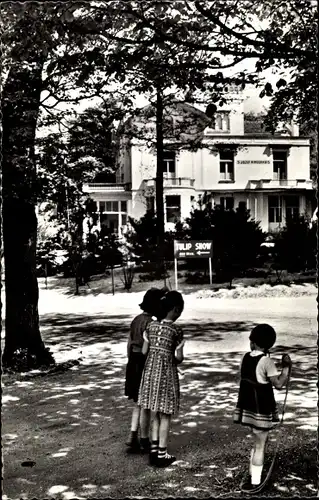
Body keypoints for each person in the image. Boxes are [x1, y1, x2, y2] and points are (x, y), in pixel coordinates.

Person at [234, 323, 292, 491]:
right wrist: (286, 368)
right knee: (260, 445)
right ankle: (255, 482)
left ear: (252, 342)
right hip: (261, 411)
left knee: (256, 443)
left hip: (248, 409)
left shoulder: (245, 357)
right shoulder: (267, 361)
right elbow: (279, 384)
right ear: (270, 345)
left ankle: (253, 474)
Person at [138, 291, 186, 468]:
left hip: (150, 373)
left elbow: (144, 351)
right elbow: (179, 358)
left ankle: (154, 450)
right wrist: (169, 358)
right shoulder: (176, 330)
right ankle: (162, 454)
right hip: (166, 375)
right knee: (165, 414)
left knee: (155, 412)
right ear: (175, 309)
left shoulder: (150, 327)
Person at [125, 287, 167, 453]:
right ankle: (144, 439)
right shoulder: (152, 324)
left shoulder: (136, 320)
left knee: (138, 401)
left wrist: (130, 362)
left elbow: (129, 343)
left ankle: (132, 434)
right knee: (147, 403)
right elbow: (151, 348)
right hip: (144, 361)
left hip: (133, 361)